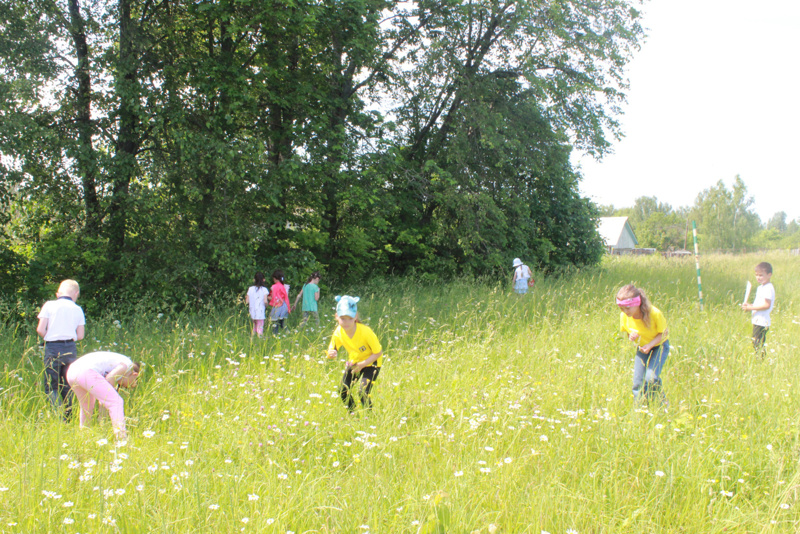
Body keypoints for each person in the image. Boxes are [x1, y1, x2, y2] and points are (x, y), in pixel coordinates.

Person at [36, 279, 86, 417]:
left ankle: (57, 416)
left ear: (58, 294)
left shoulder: (49, 305)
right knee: (67, 384)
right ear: (76, 293)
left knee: (51, 385)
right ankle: (68, 416)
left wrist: (50, 337)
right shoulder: (77, 309)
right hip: (70, 348)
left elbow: (40, 329)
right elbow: (80, 335)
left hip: (52, 347)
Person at [65, 351, 141, 440]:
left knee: (86, 405)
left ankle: (84, 437)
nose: (126, 386)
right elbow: (110, 378)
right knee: (116, 402)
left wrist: (102, 416)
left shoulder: (120, 361)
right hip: (86, 371)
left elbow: (104, 397)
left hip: (72, 371)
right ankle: (121, 438)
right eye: (131, 384)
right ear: (135, 375)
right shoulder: (127, 365)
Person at [327, 295, 383, 410]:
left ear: (356, 317)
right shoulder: (338, 332)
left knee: (363, 392)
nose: (346, 322)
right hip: (355, 362)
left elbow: (378, 352)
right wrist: (331, 354)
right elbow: (332, 349)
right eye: (343, 318)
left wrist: (363, 364)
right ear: (336, 317)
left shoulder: (365, 332)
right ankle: (353, 414)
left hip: (372, 363)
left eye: (350, 318)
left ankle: (370, 417)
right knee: (343, 390)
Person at [616, 284, 669, 405]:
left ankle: (663, 404)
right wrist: (631, 337)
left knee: (651, 378)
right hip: (642, 348)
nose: (625, 312)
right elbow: (628, 333)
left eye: (627, 308)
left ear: (637, 303)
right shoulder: (624, 316)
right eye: (621, 308)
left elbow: (664, 334)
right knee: (638, 382)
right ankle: (640, 409)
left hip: (659, 345)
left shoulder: (654, 313)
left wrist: (650, 345)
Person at [741, 261, 775, 353]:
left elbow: (766, 305)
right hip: (757, 320)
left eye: (761, 275)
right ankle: (759, 359)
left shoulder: (768, 288)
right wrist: (750, 305)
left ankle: (760, 360)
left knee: (758, 344)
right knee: (755, 342)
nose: (758, 278)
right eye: (757, 275)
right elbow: (760, 303)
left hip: (762, 321)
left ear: (769, 275)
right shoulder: (761, 287)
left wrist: (750, 308)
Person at [245, 272, 270, 337]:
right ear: (263, 280)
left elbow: (247, 301)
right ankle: (260, 339)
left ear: (254, 280)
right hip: (260, 311)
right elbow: (265, 301)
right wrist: (267, 306)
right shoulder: (264, 290)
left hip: (252, 310)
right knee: (260, 327)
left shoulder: (250, 289)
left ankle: (252, 339)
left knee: (254, 326)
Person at [269, 269, 291, 334]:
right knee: (282, 322)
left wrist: (268, 298)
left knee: (275, 322)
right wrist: (288, 308)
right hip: (284, 306)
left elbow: (273, 298)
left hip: (277, 305)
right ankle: (287, 332)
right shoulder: (283, 286)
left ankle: (275, 334)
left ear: (275, 278)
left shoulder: (273, 287)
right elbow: (286, 298)